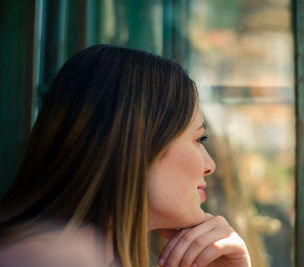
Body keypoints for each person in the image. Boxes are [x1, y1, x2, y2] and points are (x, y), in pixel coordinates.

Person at [0, 45, 251, 267]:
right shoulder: (60, 256)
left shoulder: (87, 252)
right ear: (138, 143)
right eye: (199, 139)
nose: (210, 166)